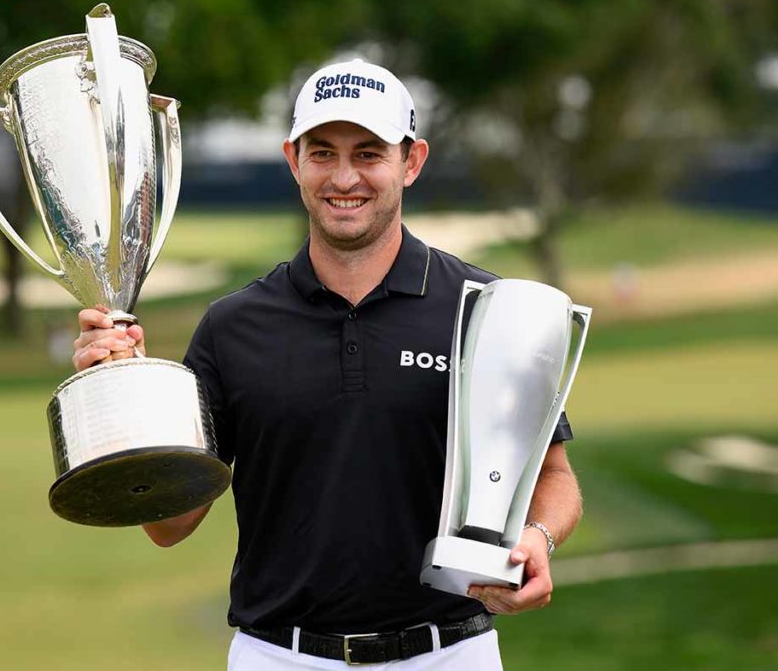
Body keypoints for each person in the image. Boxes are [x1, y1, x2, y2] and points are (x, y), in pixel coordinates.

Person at [72, 59, 583, 670]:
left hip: (448, 655)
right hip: (278, 656)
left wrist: (538, 538)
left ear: (411, 161)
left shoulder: (485, 310)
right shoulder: (233, 328)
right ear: (293, 159)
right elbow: (170, 525)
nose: (345, 177)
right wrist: (124, 398)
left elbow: (555, 475)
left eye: (369, 153)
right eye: (323, 153)